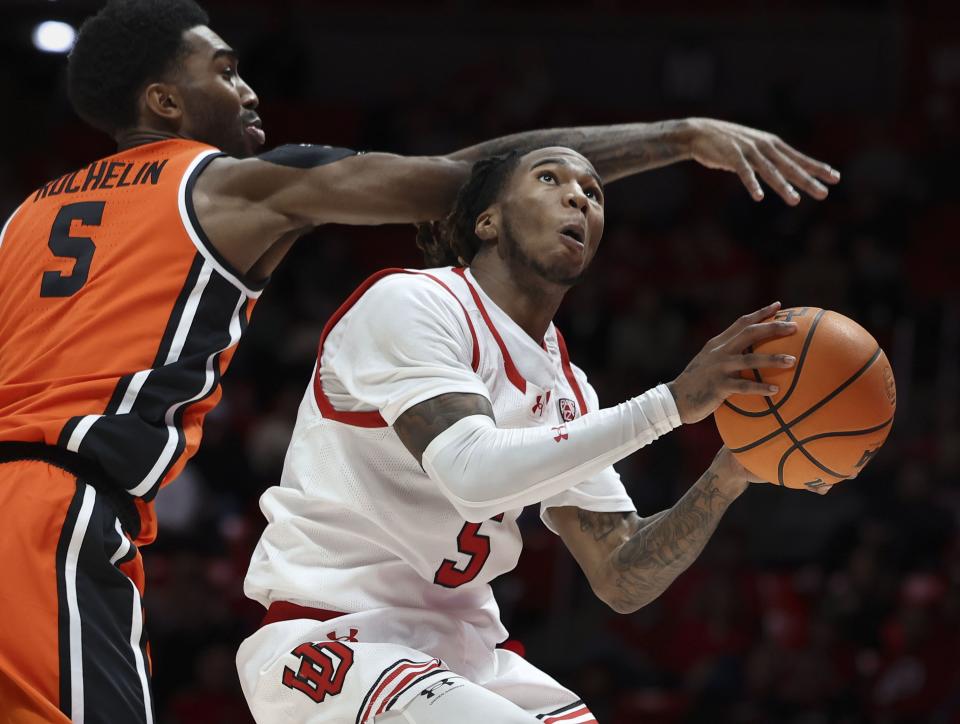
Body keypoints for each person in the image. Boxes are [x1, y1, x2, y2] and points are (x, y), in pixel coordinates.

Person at [0, 0, 838, 720]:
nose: (248, 88)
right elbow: (470, 177)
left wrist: (732, 468)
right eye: (223, 71)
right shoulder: (225, 188)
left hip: (50, 505)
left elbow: (619, 574)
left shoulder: (29, 216)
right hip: (57, 508)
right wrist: (680, 136)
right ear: (164, 100)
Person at [236, 145, 815, 723]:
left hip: (463, 654)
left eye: (594, 192)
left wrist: (730, 472)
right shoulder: (412, 303)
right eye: (549, 178)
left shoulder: (567, 387)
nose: (578, 197)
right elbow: (472, 474)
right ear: (487, 220)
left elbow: (621, 576)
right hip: (335, 634)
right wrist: (670, 404)